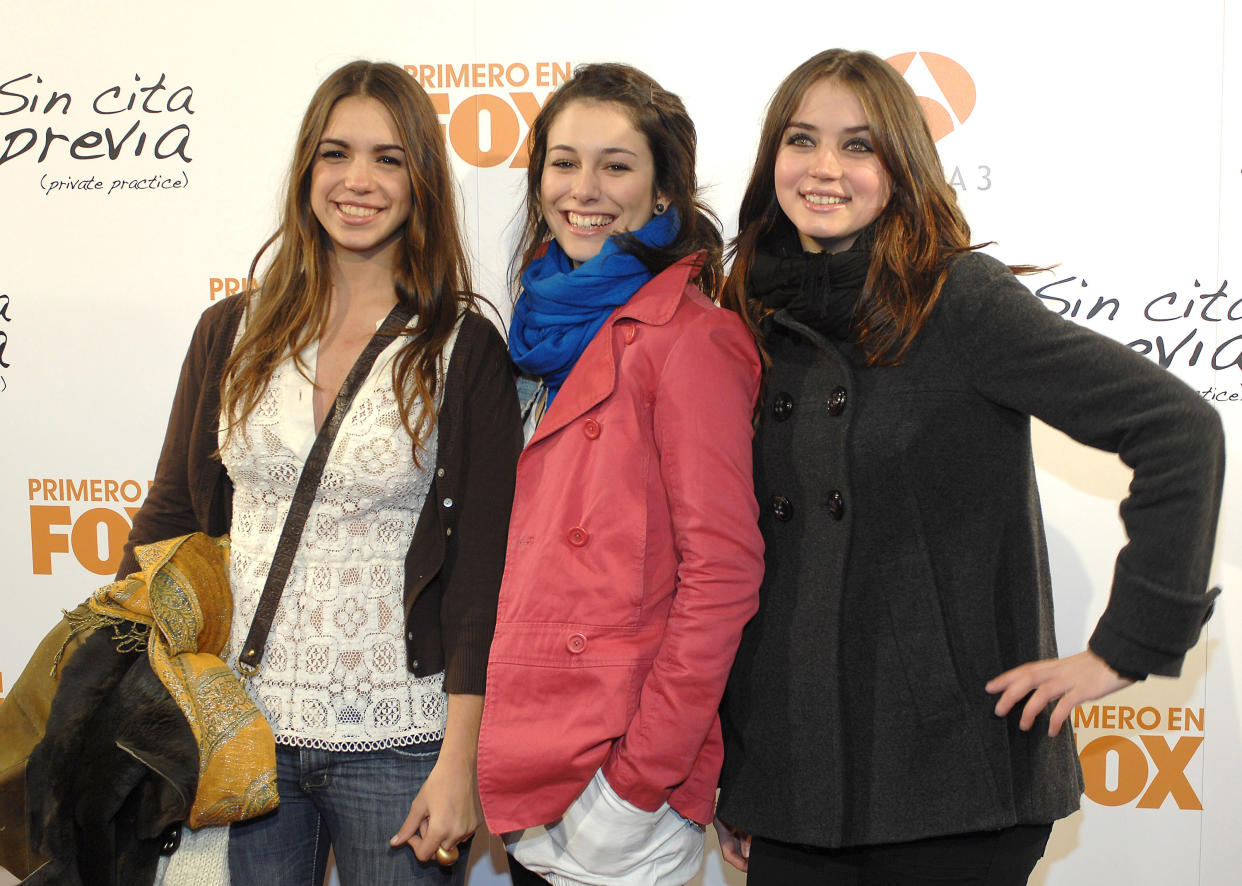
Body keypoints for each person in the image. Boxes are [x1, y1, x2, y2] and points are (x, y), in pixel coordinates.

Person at [714, 49, 1224, 885]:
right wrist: (745, 769)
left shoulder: (957, 299)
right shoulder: (747, 315)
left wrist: (1125, 646)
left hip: (955, 782)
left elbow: (1179, 430)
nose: (825, 169)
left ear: (903, 167)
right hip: (794, 783)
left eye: (859, 146)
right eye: (802, 141)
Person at [117, 60, 522, 885]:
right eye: (336, 153)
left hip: (401, 737)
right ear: (308, 169)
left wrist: (460, 761)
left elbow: (482, 572)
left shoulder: (461, 346)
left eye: (388, 158)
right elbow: (168, 516)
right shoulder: (230, 330)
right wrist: (121, 686)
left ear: (421, 181)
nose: (358, 181)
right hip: (240, 732)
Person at [474, 63, 765, 886]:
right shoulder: (531, 328)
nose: (585, 188)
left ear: (663, 192)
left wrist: (637, 785)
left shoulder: (691, 339)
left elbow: (723, 576)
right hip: (533, 759)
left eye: (616, 164)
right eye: (563, 162)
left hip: (620, 777)